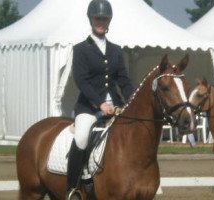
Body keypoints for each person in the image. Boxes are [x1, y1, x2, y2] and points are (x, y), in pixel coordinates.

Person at [66, 0, 134, 199]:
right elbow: (82, 81)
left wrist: (132, 101)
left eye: (104, 19)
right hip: (89, 107)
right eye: (97, 18)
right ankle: (73, 188)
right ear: (91, 19)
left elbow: (123, 79)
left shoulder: (115, 49)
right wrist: (100, 103)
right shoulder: (80, 49)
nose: (101, 22)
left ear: (109, 20)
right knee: (81, 138)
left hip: (117, 105)